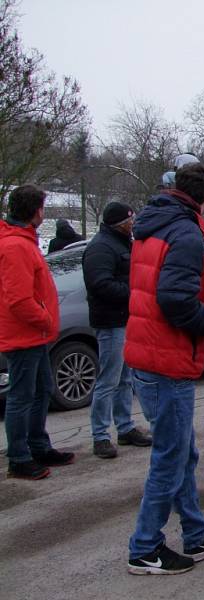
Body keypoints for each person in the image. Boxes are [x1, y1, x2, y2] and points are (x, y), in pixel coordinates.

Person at [123, 163, 204, 575]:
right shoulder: (186, 232)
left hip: (148, 354)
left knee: (181, 452)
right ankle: (145, 546)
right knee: (171, 457)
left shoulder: (153, 224)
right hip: (165, 359)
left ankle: (195, 532)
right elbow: (174, 301)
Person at [1, 185, 75, 480]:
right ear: (36, 212)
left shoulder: (23, 241)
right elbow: (19, 300)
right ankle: (19, 456)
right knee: (22, 395)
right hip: (24, 335)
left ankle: (38, 445)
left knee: (43, 389)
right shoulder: (15, 246)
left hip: (34, 335)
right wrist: (45, 319)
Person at [83, 201, 151, 459]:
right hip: (111, 322)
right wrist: (134, 293)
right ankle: (100, 435)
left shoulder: (123, 243)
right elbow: (100, 284)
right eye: (130, 219)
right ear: (120, 223)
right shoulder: (101, 247)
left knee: (125, 378)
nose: (133, 224)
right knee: (108, 380)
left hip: (125, 320)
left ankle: (125, 427)